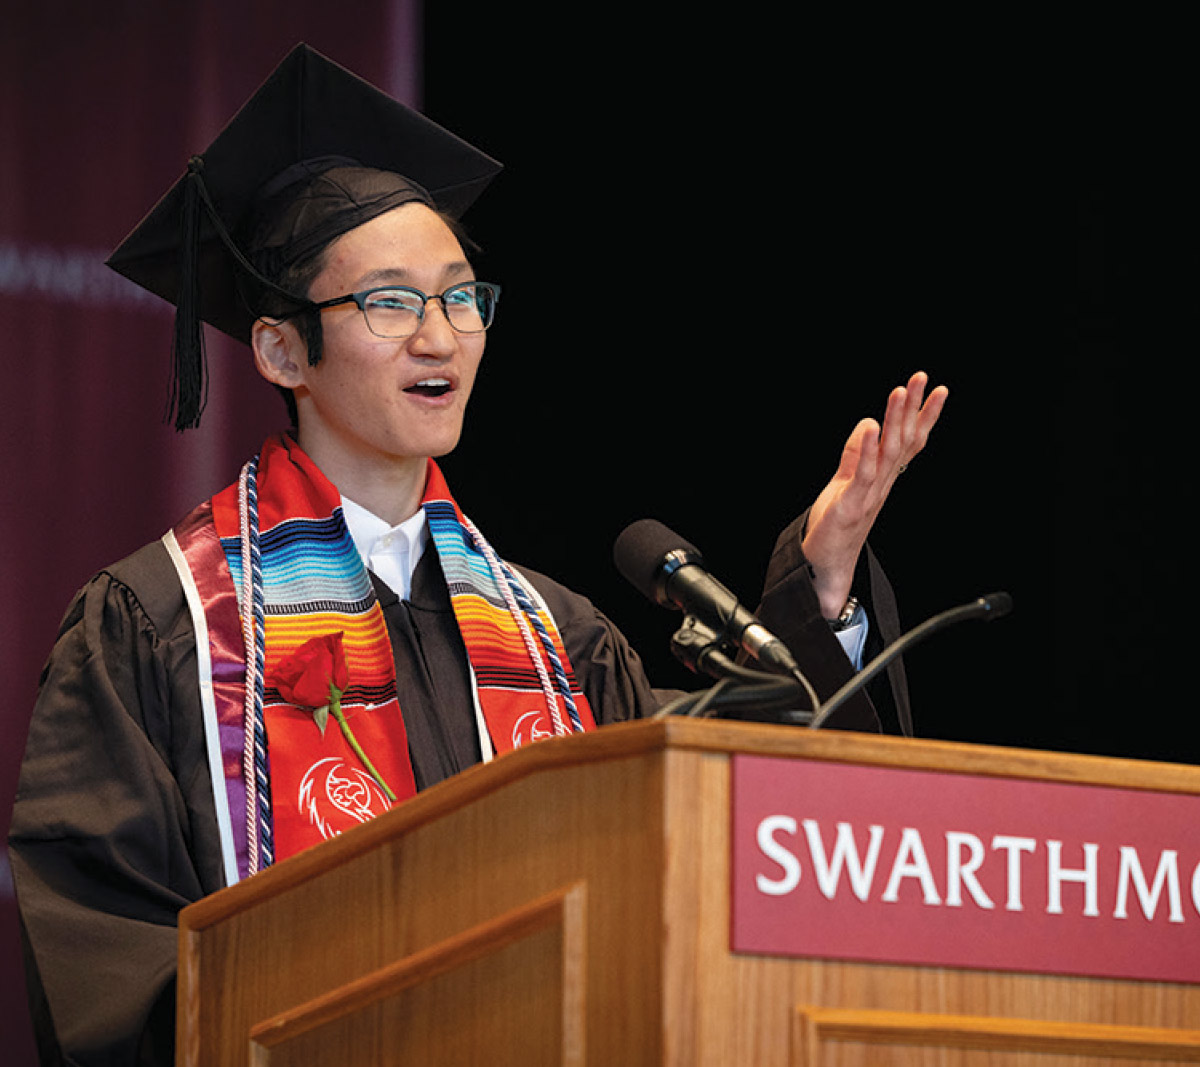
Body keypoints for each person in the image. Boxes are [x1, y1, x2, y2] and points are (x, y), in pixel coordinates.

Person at [7, 44, 947, 1066]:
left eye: (461, 297)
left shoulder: (555, 637)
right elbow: (112, 956)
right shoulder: (165, 624)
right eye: (391, 302)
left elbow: (732, 828)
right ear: (283, 352)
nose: (442, 337)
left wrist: (821, 586)